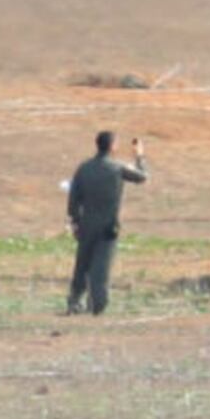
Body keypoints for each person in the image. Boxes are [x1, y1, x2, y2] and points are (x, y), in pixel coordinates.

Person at [66, 131, 148, 315]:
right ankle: (97, 304)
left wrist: (74, 221)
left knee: (82, 265)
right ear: (112, 146)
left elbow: (73, 198)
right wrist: (139, 156)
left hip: (86, 224)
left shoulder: (84, 168)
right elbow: (142, 176)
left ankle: (74, 301)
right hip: (108, 226)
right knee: (101, 267)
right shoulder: (117, 168)